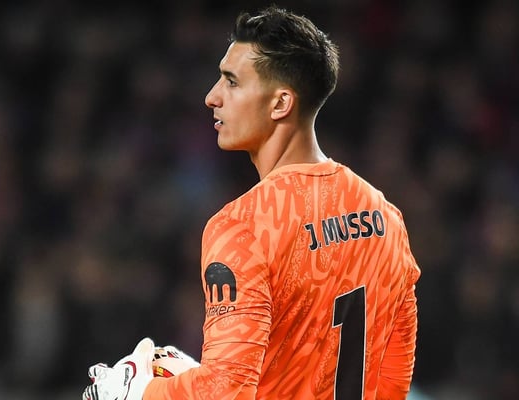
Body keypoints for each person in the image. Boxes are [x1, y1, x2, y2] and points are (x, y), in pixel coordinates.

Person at [82, 6, 421, 400]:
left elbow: (225, 391)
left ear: (280, 104)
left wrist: (139, 391)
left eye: (232, 82)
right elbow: (393, 383)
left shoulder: (244, 226)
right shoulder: (386, 217)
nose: (212, 97)